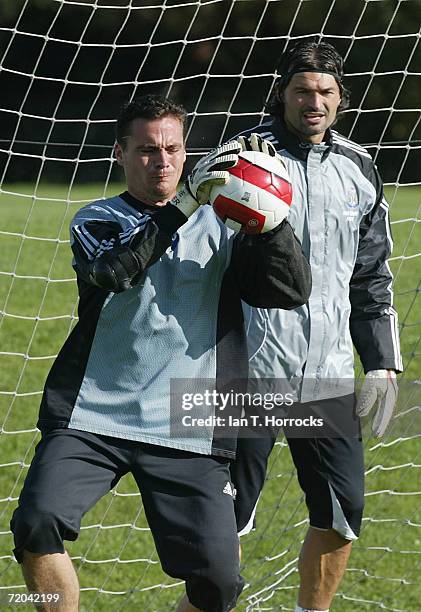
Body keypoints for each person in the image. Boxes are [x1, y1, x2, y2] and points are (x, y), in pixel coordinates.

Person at [10, 94, 311, 612]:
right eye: (148, 150)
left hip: (187, 418)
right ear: (121, 155)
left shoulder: (223, 223)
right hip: (93, 415)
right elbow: (115, 272)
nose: (163, 160)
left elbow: (287, 291)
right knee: (36, 521)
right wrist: (185, 205)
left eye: (173, 148)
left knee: (219, 585)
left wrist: (271, 219)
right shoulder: (96, 218)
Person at [230, 40, 403, 612]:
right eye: (303, 90)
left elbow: (372, 274)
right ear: (282, 93)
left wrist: (380, 361)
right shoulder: (244, 159)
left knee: (342, 511)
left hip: (326, 374)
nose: (314, 102)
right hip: (245, 371)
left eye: (325, 92)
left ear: (340, 99)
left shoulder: (360, 168)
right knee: (225, 515)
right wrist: (222, 173)